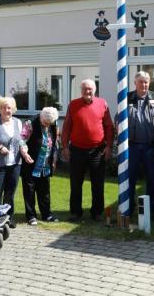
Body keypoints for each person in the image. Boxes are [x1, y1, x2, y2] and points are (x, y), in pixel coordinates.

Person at [61, 79, 115, 222]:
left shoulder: (102, 104)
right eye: (85, 89)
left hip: (97, 150)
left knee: (98, 184)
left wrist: (109, 146)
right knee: (76, 183)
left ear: (95, 90)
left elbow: (109, 126)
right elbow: (66, 126)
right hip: (77, 150)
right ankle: (75, 212)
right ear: (81, 90)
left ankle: (97, 212)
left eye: (90, 89)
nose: (87, 91)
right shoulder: (73, 105)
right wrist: (65, 146)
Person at [0, 96, 28, 228]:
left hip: (15, 163)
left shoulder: (17, 122)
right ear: (0, 109)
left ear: (13, 109)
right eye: (4, 107)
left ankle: (9, 218)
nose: (6, 110)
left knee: (10, 192)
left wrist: (25, 151)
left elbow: (21, 140)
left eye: (9, 107)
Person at [127, 71, 154, 216]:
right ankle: (127, 208)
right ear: (135, 83)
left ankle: (153, 209)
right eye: (141, 82)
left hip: (150, 146)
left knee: (153, 179)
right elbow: (119, 118)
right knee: (129, 179)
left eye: (146, 82)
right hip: (132, 146)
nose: (144, 84)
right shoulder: (127, 97)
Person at [20, 107, 61, 225]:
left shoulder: (54, 123)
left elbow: (55, 142)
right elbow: (22, 140)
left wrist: (54, 159)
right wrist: (25, 154)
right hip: (31, 163)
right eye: (45, 122)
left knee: (45, 191)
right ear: (41, 116)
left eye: (49, 123)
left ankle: (47, 214)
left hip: (46, 164)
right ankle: (31, 216)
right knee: (29, 190)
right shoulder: (30, 123)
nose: (47, 125)